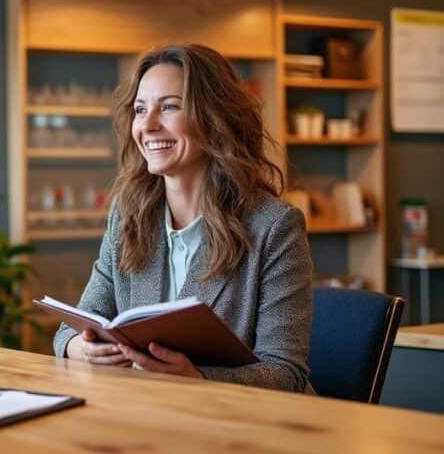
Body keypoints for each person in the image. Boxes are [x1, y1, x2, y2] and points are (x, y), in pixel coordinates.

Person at [53, 43, 314, 393]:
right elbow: (70, 331)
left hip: (242, 430)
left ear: (215, 119)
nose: (148, 125)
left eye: (170, 107)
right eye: (140, 109)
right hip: (151, 417)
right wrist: (82, 349)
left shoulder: (274, 227)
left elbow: (286, 376)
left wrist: (199, 377)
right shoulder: (129, 215)